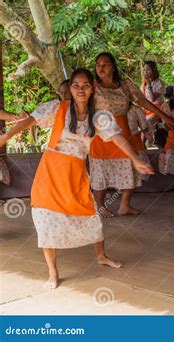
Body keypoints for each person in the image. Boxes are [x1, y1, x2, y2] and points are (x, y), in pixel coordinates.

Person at [0, 69, 154, 289]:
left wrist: (135, 158)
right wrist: (6, 136)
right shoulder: (58, 108)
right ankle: (53, 273)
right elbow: (29, 122)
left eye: (86, 85)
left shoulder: (99, 116)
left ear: (93, 89)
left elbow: (117, 137)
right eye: (76, 85)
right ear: (70, 88)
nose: (80, 89)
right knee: (46, 219)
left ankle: (101, 256)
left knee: (90, 215)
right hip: (51, 172)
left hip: (76, 172)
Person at [90, 52, 174, 218]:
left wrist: (165, 116)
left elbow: (143, 101)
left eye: (105, 64)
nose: (101, 67)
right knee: (101, 172)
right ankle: (99, 207)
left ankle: (124, 206)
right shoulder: (93, 86)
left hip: (124, 131)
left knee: (131, 168)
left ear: (113, 67)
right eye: (98, 65)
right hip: (101, 134)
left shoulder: (124, 85)